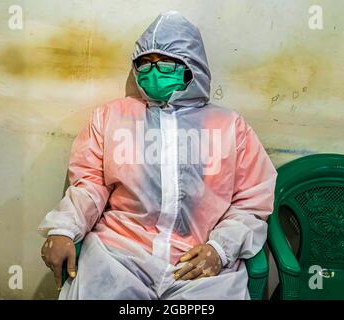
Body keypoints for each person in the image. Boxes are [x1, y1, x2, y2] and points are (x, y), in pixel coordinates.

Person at [38, 10, 277, 300]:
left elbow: (252, 202)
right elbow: (89, 185)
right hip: (119, 254)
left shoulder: (229, 127)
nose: (153, 71)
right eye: (145, 64)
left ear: (192, 67)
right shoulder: (112, 118)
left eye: (165, 63)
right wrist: (63, 228)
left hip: (197, 262)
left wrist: (220, 248)